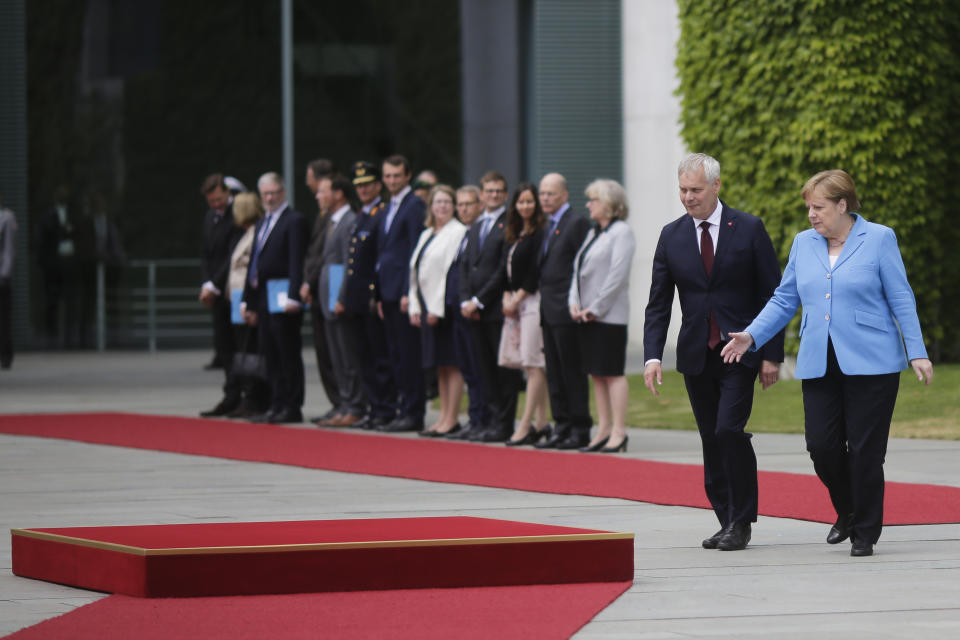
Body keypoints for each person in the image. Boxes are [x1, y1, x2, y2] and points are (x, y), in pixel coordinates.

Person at [721, 169, 934, 557]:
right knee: (821, 445)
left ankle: (865, 531)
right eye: (808, 208)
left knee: (867, 450)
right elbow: (785, 298)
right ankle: (849, 510)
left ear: (842, 204)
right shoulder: (804, 244)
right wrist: (752, 335)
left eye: (818, 207)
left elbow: (901, 297)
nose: (811, 215)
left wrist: (916, 350)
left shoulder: (879, 238)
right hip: (819, 358)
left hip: (874, 361)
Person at [642, 153, 784, 552]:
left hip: (740, 350)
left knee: (728, 431)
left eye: (696, 190)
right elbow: (658, 304)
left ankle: (741, 521)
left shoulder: (749, 228)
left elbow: (773, 295)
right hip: (695, 355)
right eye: (683, 190)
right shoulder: (671, 235)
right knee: (710, 437)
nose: (688, 197)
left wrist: (771, 353)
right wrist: (653, 355)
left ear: (717, 187)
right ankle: (726, 517)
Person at [569, 179, 636, 453]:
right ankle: (603, 429)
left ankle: (619, 431)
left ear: (609, 203)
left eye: (593, 199)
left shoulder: (622, 232)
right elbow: (577, 270)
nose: (588, 204)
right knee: (595, 373)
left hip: (608, 316)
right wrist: (574, 303)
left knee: (611, 372)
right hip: (586, 315)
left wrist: (595, 308)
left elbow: (616, 277)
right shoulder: (595, 232)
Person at [459, 171, 523, 442]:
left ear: (505, 195)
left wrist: (479, 300)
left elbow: (501, 269)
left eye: (499, 191)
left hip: (495, 308)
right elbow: (465, 266)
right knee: (483, 367)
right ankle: (489, 420)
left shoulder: (509, 223)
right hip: (474, 312)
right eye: (489, 191)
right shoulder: (475, 225)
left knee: (503, 371)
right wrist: (465, 299)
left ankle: (504, 423)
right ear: (481, 195)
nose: (494, 195)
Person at [242, 172, 308, 424]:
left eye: (274, 193)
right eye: (265, 194)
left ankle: (292, 405)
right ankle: (277, 402)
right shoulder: (262, 223)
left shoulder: (294, 220)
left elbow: (296, 260)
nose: (269, 198)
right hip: (263, 296)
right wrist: (248, 301)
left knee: (287, 351)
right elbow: (254, 264)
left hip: (283, 297)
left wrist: (294, 296)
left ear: (283, 193)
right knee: (269, 351)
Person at [535, 173, 594, 450]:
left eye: (551, 193)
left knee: (571, 372)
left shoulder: (577, 222)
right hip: (548, 310)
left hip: (567, 310)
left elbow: (583, 267)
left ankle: (579, 427)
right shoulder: (546, 224)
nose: (545, 198)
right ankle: (561, 425)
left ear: (564, 195)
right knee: (554, 372)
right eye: (542, 193)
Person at [408, 185, 468, 436]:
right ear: (430, 205)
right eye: (438, 202)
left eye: (447, 202)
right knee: (439, 366)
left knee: (451, 363)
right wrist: (414, 305)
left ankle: (452, 418)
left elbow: (447, 273)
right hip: (425, 306)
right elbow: (415, 271)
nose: (442, 206)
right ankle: (443, 416)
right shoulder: (427, 233)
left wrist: (435, 308)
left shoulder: (457, 231)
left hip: (443, 309)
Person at [342, 161, 397, 430]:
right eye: (359, 186)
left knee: (379, 357)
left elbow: (379, 258)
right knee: (364, 357)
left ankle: (384, 408)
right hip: (357, 298)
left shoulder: (381, 213)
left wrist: (375, 294)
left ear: (378, 186)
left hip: (372, 297)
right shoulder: (362, 215)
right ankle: (374, 407)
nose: (363, 190)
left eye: (368, 185)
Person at [308, 174, 365, 427]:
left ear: (338, 194)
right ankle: (343, 403)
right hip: (326, 297)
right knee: (336, 356)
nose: (318, 196)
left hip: (338, 298)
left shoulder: (349, 221)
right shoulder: (331, 222)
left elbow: (348, 263)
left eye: (323, 191)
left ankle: (354, 405)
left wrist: (342, 298)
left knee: (347, 355)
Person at [376, 155, 427, 432]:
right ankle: (402, 408)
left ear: (408, 176)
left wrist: (410, 291)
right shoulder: (388, 208)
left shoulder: (414, 205)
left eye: (397, 175)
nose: (392, 181)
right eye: (388, 176)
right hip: (389, 291)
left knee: (408, 355)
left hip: (404, 292)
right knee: (395, 354)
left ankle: (413, 411)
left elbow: (414, 251)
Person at [499, 182, 550, 446]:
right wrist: (507, 296)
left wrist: (517, 296)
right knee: (529, 364)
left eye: (530, 201)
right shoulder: (517, 231)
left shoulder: (541, 232)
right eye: (521, 202)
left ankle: (525, 423)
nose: (526, 206)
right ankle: (541, 423)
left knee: (532, 364)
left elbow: (534, 270)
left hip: (532, 302)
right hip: (517, 304)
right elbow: (508, 270)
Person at [445, 185, 493, 439]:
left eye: (468, 204)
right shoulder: (467, 233)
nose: (464, 209)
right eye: (460, 205)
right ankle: (475, 418)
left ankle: (482, 418)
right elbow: (461, 271)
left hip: (479, 310)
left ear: (479, 204)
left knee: (479, 367)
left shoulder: (481, 232)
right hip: (461, 308)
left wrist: (474, 301)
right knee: (467, 367)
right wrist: (463, 300)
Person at [198, 174, 244, 416]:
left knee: (239, 344)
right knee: (224, 346)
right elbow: (206, 253)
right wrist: (207, 283)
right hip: (215, 291)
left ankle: (242, 394)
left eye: (219, 199)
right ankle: (230, 393)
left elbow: (232, 255)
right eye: (211, 201)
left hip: (231, 290)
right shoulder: (209, 218)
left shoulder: (237, 215)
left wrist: (214, 285)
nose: (216, 204)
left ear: (227, 193)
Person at [301, 158, 341, 422]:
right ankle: (338, 402)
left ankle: (343, 402)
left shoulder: (336, 218)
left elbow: (325, 256)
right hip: (318, 291)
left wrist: (309, 281)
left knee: (335, 352)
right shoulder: (323, 215)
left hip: (327, 290)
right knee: (325, 352)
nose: (313, 191)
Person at [223, 192, 270, 416]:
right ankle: (248, 394)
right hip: (239, 297)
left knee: (251, 348)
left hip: (247, 297)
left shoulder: (256, 233)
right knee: (243, 346)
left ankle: (255, 397)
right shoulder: (247, 234)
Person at [0, 195, 16, 369]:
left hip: (1, 278)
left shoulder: (6, 218)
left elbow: (9, 250)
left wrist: (4, 274)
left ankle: (5, 355)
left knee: (3, 320)